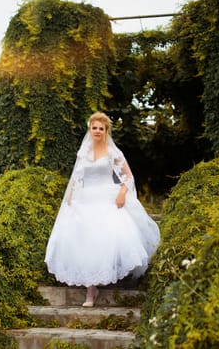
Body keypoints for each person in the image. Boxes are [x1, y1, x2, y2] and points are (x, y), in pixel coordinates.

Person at [45, 112, 160, 307]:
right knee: (86, 243)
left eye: (101, 128)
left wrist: (122, 193)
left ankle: (106, 278)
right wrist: (70, 199)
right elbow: (75, 178)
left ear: (106, 131)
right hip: (85, 201)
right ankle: (91, 291)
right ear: (90, 129)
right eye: (94, 127)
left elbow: (129, 177)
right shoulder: (83, 153)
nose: (97, 131)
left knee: (107, 238)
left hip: (108, 199)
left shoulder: (113, 152)